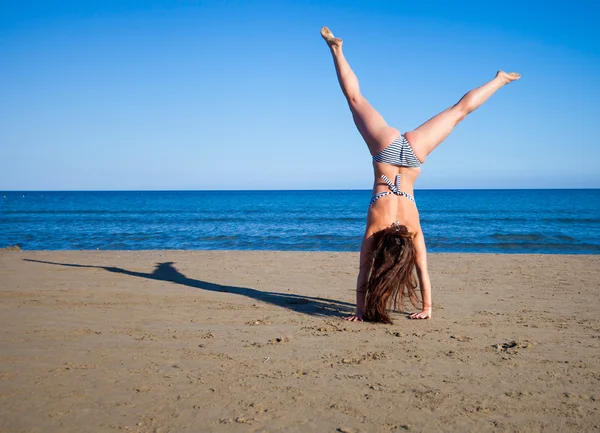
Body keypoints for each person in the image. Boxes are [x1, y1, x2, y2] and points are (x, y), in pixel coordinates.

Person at [320, 26, 520, 323]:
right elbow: (364, 271)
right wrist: (360, 310)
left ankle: (499, 79)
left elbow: (422, 268)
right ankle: (336, 49)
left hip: (412, 158)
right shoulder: (376, 231)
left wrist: (429, 306)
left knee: (457, 111)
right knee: (357, 100)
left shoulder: (412, 231)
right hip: (387, 151)